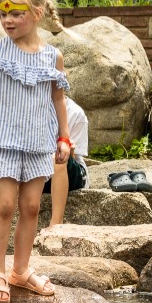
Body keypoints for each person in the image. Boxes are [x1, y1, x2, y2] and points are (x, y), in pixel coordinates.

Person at [0, 0, 72, 303]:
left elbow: (58, 99)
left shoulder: (52, 57)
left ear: (37, 13)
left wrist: (64, 136)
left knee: (30, 207)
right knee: (5, 205)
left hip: (39, 142)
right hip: (1, 141)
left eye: (16, 14)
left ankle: (21, 270)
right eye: (3, 14)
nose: (8, 21)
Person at [47, 97, 90, 227]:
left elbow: (74, 154)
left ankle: (56, 223)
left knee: (58, 159)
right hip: (40, 171)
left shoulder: (75, 113)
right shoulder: (31, 108)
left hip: (70, 173)